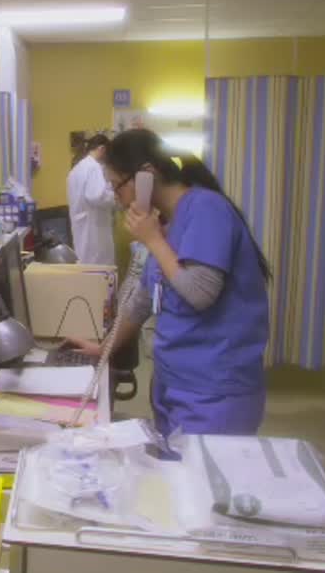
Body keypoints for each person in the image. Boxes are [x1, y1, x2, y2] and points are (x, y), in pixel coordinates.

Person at [68, 129, 271, 437]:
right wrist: (103, 348)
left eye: (117, 186)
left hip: (213, 392)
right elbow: (141, 301)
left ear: (146, 176)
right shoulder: (168, 223)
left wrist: (153, 240)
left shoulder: (206, 209)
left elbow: (200, 292)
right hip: (174, 385)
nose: (117, 199)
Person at [67, 132, 117, 266]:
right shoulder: (94, 167)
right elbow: (96, 196)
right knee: (98, 268)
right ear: (102, 149)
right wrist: (115, 197)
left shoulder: (76, 169)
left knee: (85, 264)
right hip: (94, 229)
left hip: (82, 226)